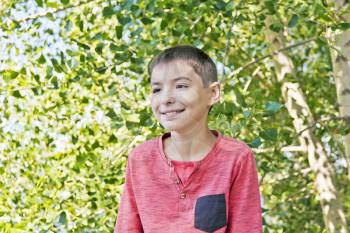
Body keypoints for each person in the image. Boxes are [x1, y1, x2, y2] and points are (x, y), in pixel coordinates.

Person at [114, 45, 262, 233]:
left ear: (213, 93)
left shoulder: (237, 157)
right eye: (157, 89)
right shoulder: (140, 158)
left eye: (181, 86)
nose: (166, 98)